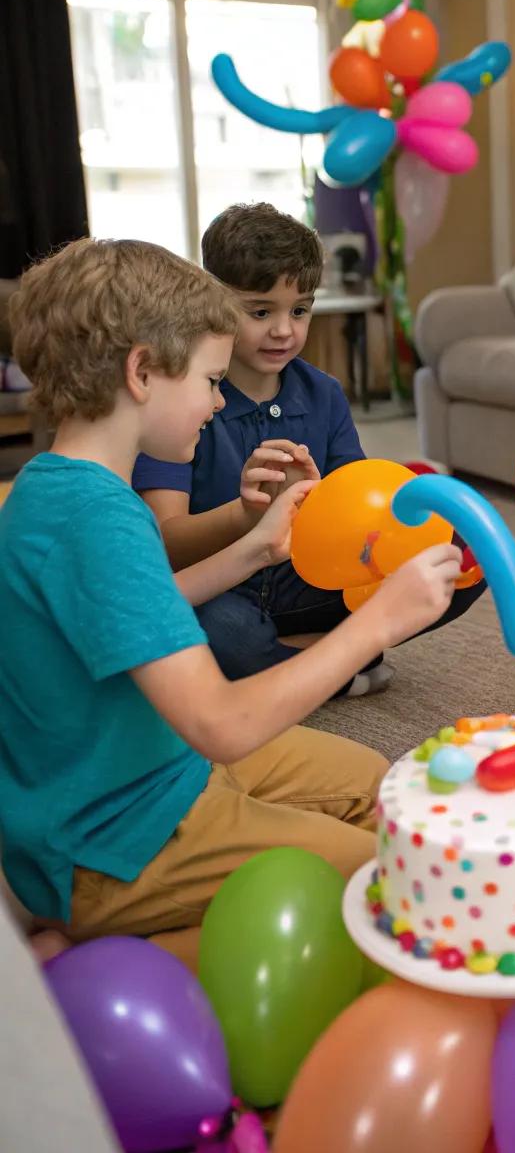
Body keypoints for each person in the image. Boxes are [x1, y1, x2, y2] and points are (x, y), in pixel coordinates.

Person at [0, 238, 460, 963]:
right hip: (115, 837)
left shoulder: (50, 484)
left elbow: (133, 616)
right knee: (396, 882)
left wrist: (253, 549)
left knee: (389, 791)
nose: (218, 403)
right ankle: (96, 949)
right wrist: (379, 622)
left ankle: (98, 930)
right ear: (142, 372)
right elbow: (221, 722)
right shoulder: (99, 516)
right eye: (212, 381)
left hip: (152, 767)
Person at [132, 202, 484, 694]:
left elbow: (363, 518)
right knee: (218, 630)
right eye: (260, 311)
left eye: (300, 309)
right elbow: (166, 545)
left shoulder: (323, 394)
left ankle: (302, 658)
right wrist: (250, 513)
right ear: (211, 304)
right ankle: (336, 664)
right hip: (220, 587)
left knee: (459, 559)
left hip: (308, 577)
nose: (285, 330)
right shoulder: (181, 403)